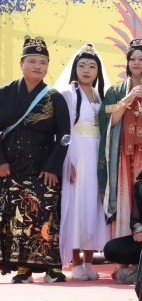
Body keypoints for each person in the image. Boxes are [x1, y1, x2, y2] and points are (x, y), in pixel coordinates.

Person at [0, 36, 71, 283]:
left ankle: (52, 267)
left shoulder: (54, 97)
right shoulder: (4, 93)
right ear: (21, 63)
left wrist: (53, 166)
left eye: (43, 62)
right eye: (32, 61)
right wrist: (0, 160)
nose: (38, 66)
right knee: (17, 217)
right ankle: (23, 268)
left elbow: (65, 136)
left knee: (46, 216)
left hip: (43, 166)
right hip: (11, 165)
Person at [56, 43, 111, 281]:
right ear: (75, 68)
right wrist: (67, 160)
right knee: (76, 203)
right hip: (77, 152)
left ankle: (89, 261)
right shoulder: (68, 94)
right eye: (82, 65)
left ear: (98, 71)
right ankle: (76, 261)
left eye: (91, 66)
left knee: (94, 204)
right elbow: (62, 130)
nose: (86, 70)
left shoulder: (100, 95)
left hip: (97, 153)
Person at [98, 39, 142, 240]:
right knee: (123, 194)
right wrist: (127, 99)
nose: (136, 63)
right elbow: (109, 121)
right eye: (132, 59)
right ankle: (122, 249)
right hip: (122, 154)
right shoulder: (115, 91)